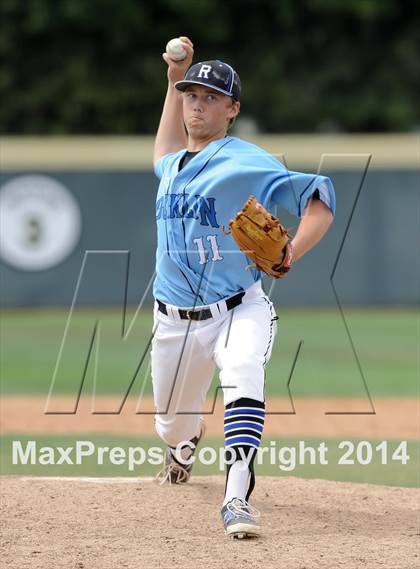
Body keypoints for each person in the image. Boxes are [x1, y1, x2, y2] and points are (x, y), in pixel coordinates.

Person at [152, 36, 335, 539]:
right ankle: (184, 445)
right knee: (170, 426)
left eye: (211, 97)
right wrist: (175, 76)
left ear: (232, 109)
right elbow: (165, 146)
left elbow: (320, 196)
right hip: (172, 321)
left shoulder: (247, 160)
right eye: (192, 95)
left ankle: (236, 498)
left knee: (242, 373)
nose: (197, 104)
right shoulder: (170, 165)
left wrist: (292, 248)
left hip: (238, 308)